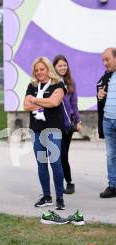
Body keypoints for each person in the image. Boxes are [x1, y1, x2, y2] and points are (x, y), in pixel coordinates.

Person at [24, 56, 66, 210]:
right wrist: (43, 102)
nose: (39, 72)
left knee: (55, 163)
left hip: (53, 130)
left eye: (42, 69)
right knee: (41, 164)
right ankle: (47, 196)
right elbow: (26, 105)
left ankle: (60, 198)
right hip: (37, 130)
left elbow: (55, 102)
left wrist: (34, 100)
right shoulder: (32, 85)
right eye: (36, 70)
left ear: (48, 69)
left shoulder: (58, 84)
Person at [52, 55, 82, 194]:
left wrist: (78, 120)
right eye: (60, 65)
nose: (63, 68)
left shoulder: (71, 83)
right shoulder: (51, 83)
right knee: (59, 154)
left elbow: (74, 104)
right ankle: (62, 182)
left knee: (64, 154)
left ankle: (69, 182)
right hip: (56, 123)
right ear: (54, 67)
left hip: (68, 125)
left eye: (65, 65)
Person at [97, 48, 116, 198]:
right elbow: (101, 98)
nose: (105, 63)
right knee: (111, 155)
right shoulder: (106, 76)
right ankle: (113, 186)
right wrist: (100, 96)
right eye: (103, 60)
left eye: (107, 59)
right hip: (108, 121)